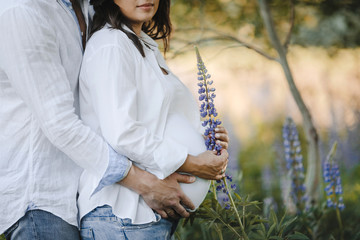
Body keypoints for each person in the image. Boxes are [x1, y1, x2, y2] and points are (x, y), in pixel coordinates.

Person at [0, 0, 222, 239]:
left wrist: (202, 141)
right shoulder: (22, 11)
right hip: (42, 199)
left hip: (85, 192)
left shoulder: (87, 10)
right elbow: (61, 125)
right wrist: (164, 174)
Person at [77, 0, 230, 239]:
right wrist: (193, 163)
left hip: (143, 218)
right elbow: (122, 132)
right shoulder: (111, 44)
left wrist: (206, 139)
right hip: (123, 214)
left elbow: (155, 119)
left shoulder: (141, 43)